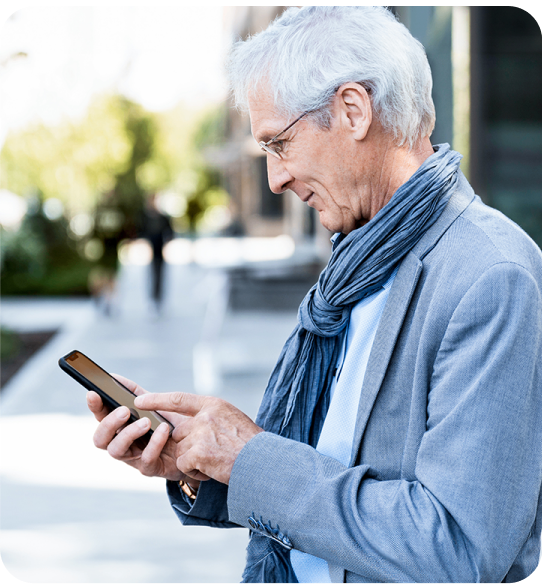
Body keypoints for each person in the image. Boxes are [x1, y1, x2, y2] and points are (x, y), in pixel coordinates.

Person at [87, 7, 542, 583]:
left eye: (279, 144)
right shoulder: (354, 264)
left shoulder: (488, 274)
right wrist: (198, 463)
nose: (275, 179)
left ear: (353, 111)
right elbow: (326, 474)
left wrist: (249, 455)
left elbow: (455, 548)